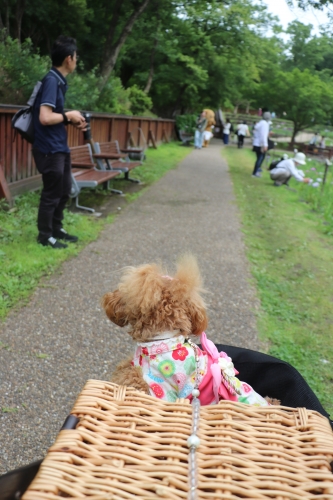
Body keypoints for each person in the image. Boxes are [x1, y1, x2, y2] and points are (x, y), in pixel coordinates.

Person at [32, 35, 87, 249]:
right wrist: (68, 115)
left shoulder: (58, 81)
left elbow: (53, 116)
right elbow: (45, 117)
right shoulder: (52, 81)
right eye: (76, 56)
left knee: (63, 190)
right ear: (68, 59)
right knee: (52, 193)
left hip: (59, 147)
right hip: (49, 149)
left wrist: (71, 119)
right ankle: (44, 236)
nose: (76, 59)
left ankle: (56, 229)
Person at [252, 111, 271, 177]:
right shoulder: (265, 124)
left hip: (256, 143)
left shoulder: (260, 123)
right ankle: (255, 173)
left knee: (260, 158)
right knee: (260, 158)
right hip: (261, 144)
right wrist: (265, 145)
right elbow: (264, 135)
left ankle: (257, 170)